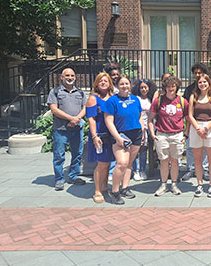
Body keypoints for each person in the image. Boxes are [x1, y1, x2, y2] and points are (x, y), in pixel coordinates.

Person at [104, 75, 144, 205]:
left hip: (136, 133)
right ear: (116, 86)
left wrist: (142, 131)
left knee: (129, 163)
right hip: (121, 135)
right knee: (121, 163)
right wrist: (118, 137)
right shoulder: (112, 101)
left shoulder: (135, 99)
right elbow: (109, 121)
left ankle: (125, 188)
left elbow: (139, 117)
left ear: (131, 85)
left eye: (127, 84)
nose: (124, 86)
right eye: (121, 84)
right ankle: (115, 191)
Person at [47, 68, 87, 191]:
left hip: (77, 128)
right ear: (62, 77)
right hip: (61, 129)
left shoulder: (80, 92)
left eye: (72, 75)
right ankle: (59, 179)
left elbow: (85, 108)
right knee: (59, 154)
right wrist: (71, 119)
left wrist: (77, 119)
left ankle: (73, 176)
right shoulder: (55, 92)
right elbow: (54, 109)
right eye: (67, 75)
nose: (70, 77)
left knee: (77, 153)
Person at [148, 75, 188, 197]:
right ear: (164, 87)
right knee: (164, 161)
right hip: (162, 134)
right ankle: (163, 184)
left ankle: (174, 184)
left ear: (177, 87)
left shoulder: (182, 101)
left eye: (173, 86)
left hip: (177, 135)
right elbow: (150, 119)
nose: (171, 88)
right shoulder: (158, 101)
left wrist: (185, 134)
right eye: (168, 86)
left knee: (175, 161)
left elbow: (188, 119)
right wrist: (153, 134)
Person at [188, 74, 211, 197]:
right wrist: (198, 128)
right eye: (200, 82)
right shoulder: (193, 97)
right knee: (197, 159)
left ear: (209, 83)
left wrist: (206, 128)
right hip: (196, 127)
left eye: (205, 82)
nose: (203, 84)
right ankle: (200, 184)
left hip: (210, 128)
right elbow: (190, 114)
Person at [86, 72, 114, 203]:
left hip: (111, 134)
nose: (103, 83)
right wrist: (94, 136)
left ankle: (104, 186)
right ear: (96, 83)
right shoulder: (93, 98)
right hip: (99, 134)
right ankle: (97, 190)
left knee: (107, 163)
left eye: (106, 81)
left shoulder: (113, 97)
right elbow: (91, 119)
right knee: (101, 164)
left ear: (110, 83)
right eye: (100, 81)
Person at [183, 63, 209, 182]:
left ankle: (205, 169)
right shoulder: (189, 89)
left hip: (205, 124)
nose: (197, 75)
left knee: (204, 147)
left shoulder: (209, 90)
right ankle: (191, 169)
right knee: (189, 147)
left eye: (200, 73)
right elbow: (185, 106)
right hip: (192, 123)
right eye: (196, 73)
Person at [130, 78, 157, 181]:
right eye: (141, 87)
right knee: (136, 148)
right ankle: (135, 170)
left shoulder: (151, 99)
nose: (143, 89)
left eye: (145, 87)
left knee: (144, 149)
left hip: (150, 126)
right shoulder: (135, 98)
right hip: (138, 126)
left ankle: (142, 170)